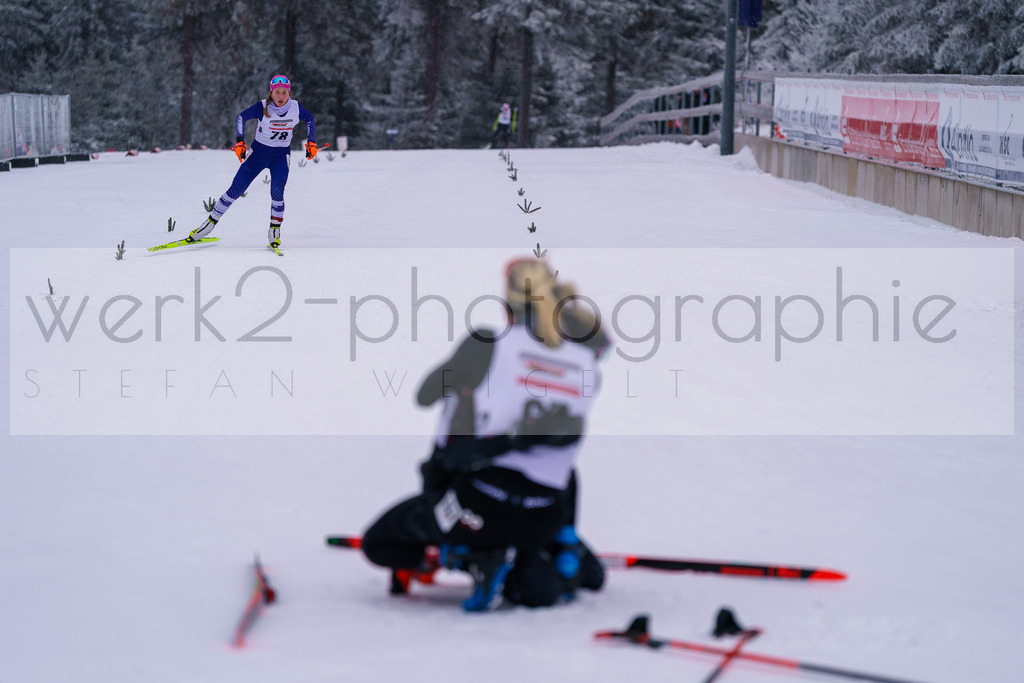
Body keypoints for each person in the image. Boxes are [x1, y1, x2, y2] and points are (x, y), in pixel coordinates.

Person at [361, 258, 608, 612]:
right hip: (545, 515)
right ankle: (557, 553)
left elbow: (426, 395)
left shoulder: (488, 346)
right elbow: (599, 344)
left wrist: (465, 377)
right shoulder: (586, 362)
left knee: (379, 542)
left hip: (479, 505)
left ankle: (468, 557)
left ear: (507, 306)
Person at [186, 74, 317, 250]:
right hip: (258, 154)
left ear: (289, 93)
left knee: (277, 192)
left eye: (284, 93)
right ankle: (209, 224)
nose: (280, 96)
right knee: (236, 189)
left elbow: (310, 120)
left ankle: (274, 232)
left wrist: (312, 142)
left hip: (281, 156)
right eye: (277, 92)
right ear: (271, 93)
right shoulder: (262, 106)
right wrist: (240, 141)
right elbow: (241, 117)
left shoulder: (295, 107)